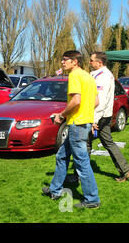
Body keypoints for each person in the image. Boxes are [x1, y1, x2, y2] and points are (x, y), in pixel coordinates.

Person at [42, 50, 100, 209]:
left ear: (75, 62)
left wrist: (61, 115)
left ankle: (92, 199)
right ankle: (55, 190)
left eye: (65, 60)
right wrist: (85, 114)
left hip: (77, 125)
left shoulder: (74, 76)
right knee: (62, 155)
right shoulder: (89, 76)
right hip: (84, 122)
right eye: (62, 59)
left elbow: (76, 100)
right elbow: (95, 101)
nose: (62, 62)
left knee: (81, 163)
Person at [88, 52, 129, 182]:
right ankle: (125, 170)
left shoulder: (103, 77)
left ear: (99, 63)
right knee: (108, 143)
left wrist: (94, 120)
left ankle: (80, 175)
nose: (89, 62)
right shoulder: (101, 74)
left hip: (100, 116)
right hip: (105, 116)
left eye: (91, 60)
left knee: (85, 143)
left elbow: (100, 101)